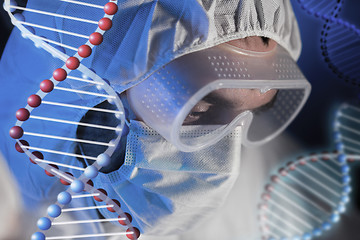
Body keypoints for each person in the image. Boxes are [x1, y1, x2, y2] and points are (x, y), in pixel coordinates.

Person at [0, 0, 310, 239]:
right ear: (83, 89)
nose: (226, 166)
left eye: (249, 115)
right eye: (197, 110)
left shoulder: (273, 185)